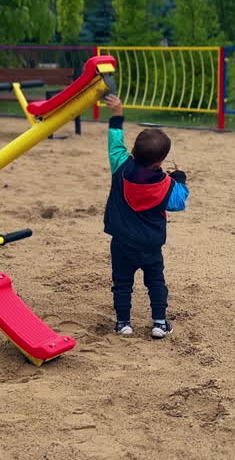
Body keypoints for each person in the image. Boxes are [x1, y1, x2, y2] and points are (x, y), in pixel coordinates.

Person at [101, 93, 188, 338]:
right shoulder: (166, 184)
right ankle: (159, 323)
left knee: (122, 284)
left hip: (121, 242)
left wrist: (117, 113)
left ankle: (123, 323)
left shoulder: (121, 165)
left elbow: (114, 142)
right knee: (156, 282)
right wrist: (179, 177)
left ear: (133, 151)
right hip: (150, 244)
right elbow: (179, 202)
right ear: (160, 160)